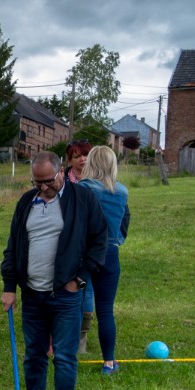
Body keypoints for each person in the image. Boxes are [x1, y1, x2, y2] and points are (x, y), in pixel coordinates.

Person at [0, 151, 108, 390]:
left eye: (48, 180)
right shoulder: (27, 202)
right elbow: (13, 246)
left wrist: (79, 280)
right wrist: (10, 286)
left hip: (65, 295)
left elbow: (99, 240)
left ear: (61, 171)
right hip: (32, 293)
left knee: (64, 356)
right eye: (37, 182)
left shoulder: (82, 199)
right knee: (34, 353)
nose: (43, 187)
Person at [79, 146, 130, 374]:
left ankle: (66, 353)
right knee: (106, 310)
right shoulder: (122, 192)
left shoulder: (83, 188)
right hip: (110, 255)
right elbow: (124, 221)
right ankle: (109, 362)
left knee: (74, 305)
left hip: (85, 254)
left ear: (91, 163)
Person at [64, 138, 96, 352]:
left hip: (90, 244)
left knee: (87, 288)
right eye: (77, 156)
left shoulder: (99, 180)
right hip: (67, 243)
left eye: (85, 155)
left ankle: (82, 336)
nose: (82, 159)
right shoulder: (62, 182)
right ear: (69, 160)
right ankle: (64, 330)